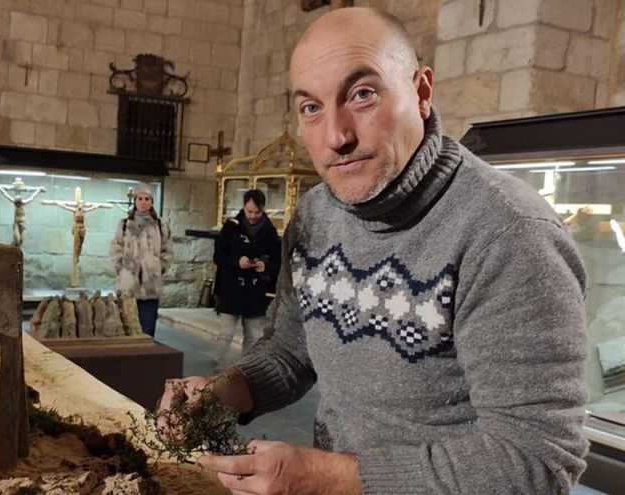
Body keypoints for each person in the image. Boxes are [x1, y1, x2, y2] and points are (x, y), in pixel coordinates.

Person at [158, 7, 588, 495]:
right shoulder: (316, 214)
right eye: (311, 108)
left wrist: (325, 477)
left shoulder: (507, 234)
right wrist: (226, 392)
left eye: (362, 95)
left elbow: (535, 460)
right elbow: (291, 351)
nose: (337, 137)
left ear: (422, 93)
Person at [212, 189, 281, 366]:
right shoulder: (231, 227)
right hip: (232, 288)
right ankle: (216, 369)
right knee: (225, 334)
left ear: (263, 209)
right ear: (243, 207)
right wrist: (237, 261)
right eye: (249, 211)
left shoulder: (269, 231)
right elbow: (218, 256)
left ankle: (246, 372)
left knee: (255, 335)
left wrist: (265, 266)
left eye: (257, 212)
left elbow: (277, 260)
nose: (252, 216)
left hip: (255, 290)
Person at [109, 183, 174, 337]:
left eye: (147, 199)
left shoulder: (160, 225)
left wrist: (159, 267)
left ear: (151, 202)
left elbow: (168, 249)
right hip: (128, 285)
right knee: (126, 326)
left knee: (147, 328)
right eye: (140, 198)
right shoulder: (124, 224)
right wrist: (121, 266)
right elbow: (115, 247)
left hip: (150, 285)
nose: (143, 202)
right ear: (136, 201)